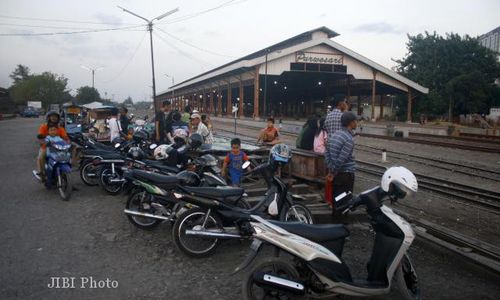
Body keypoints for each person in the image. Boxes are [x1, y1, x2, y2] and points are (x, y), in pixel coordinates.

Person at [325, 111, 358, 212]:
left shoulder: (334, 135)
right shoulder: (348, 139)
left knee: (337, 199)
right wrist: (333, 172)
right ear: (350, 123)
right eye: (355, 121)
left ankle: (336, 221)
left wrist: (331, 170)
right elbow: (341, 160)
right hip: (345, 175)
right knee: (345, 202)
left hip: (337, 175)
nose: (357, 123)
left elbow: (326, 153)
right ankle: (342, 223)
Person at [33, 111, 69, 181]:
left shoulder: (60, 128)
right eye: (52, 116)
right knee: (41, 158)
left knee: (65, 156)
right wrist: (42, 142)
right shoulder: (44, 126)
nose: (54, 118)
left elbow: (65, 137)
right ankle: (42, 174)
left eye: (55, 116)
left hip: (58, 147)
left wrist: (67, 142)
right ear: (49, 117)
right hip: (46, 147)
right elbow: (40, 137)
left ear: (58, 118)